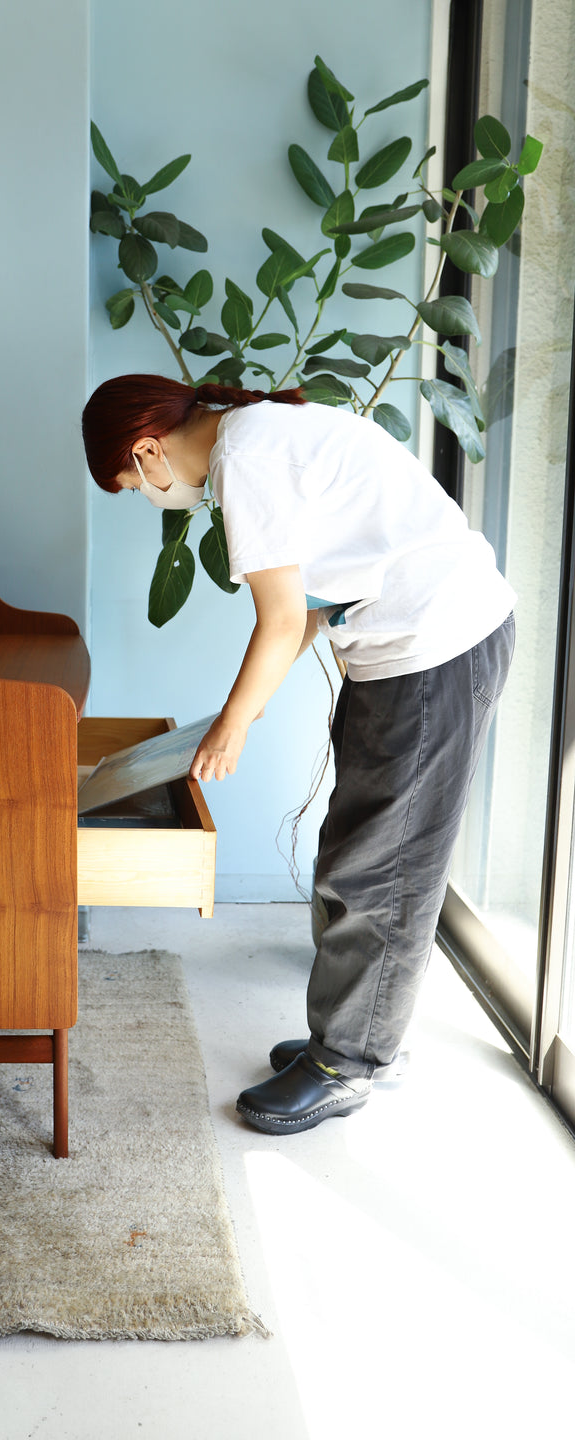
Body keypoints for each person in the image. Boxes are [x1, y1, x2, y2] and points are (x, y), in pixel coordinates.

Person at [82, 374, 515, 1134]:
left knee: (381, 867)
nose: (147, 493)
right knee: (359, 850)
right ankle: (356, 1037)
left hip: (433, 647)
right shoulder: (256, 438)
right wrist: (235, 716)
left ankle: (348, 1062)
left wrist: (234, 726)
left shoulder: (245, 460)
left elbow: (282, 620)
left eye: (130, 483)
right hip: (408, 649)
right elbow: (310, 610)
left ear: (146, 450)